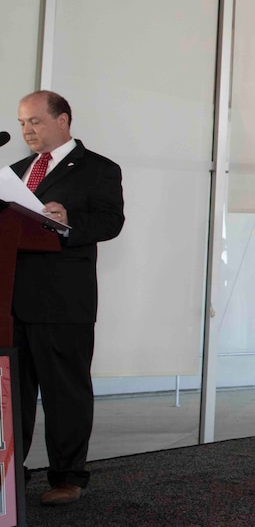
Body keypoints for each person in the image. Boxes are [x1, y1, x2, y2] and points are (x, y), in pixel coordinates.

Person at [11, 90, 125, 506]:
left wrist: (68, 220)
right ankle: (10, 474)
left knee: (64, 393)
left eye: (35, 121)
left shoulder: (98, 169)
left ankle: (67, 477)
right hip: (12, 299)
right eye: (22, 122)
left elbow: (111, 222)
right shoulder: (16, 170)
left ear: (63, 120)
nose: (27, 130)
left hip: (63, 301)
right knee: (12, 393)